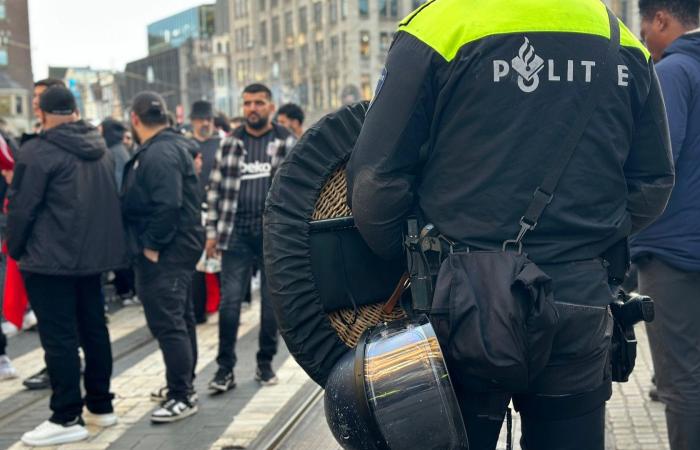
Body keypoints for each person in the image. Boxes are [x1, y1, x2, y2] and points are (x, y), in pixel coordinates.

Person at [346, 1, 674, 449]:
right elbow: (653, 182)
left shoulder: (441, 26)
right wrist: (585, 242)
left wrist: (409, 261)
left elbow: (375, 180)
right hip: (578, 299)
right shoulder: (621, 40)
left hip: (460, 304)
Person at [7, 86, 127, 446]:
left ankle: (65, 415)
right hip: (92, 259)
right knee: (94, 330)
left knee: (58, 338)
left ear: (42, 112)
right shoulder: (100, 148)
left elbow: (21, 208)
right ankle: (101, 405)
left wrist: (15, 248)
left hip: (50, 261)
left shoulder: (38, 151)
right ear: (74, 111)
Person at [632, 1, 700, 448]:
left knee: (682, 383)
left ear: (661, 19)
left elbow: (658, 160)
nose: (642, 38)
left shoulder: (673, 71)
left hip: (674, 251)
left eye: (643, 26)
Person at [206, 83, 296, 392]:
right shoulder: (230, 143)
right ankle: (224, 369)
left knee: (272, 305)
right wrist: (211, 233)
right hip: (236, 235)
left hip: (273, 237)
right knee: (230, 302)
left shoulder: (286, 141)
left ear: (271, 106)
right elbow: (215, 190)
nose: (252, 109)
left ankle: (264, 363)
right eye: (247, 103)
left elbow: (296, 191)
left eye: (258, 103)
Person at [121, 91, 203, 423]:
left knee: (169, 322)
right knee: (180, 318)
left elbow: (168, 205)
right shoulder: (172, 146)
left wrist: (151, 245)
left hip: (167, 251)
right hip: (178, 247)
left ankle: (181, 394)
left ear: (135, 119)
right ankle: (182, 385)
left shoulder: (159, 153)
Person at [189, 100, 222, 324]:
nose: (206, 124)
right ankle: (198, 310)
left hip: (218, 211)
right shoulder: (186, 145)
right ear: (193, 121)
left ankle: (227, 305)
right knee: (196, 267)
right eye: (201, 120)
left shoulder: (222, 144)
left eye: (209, 120)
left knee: (221, 263)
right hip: (193, 211)